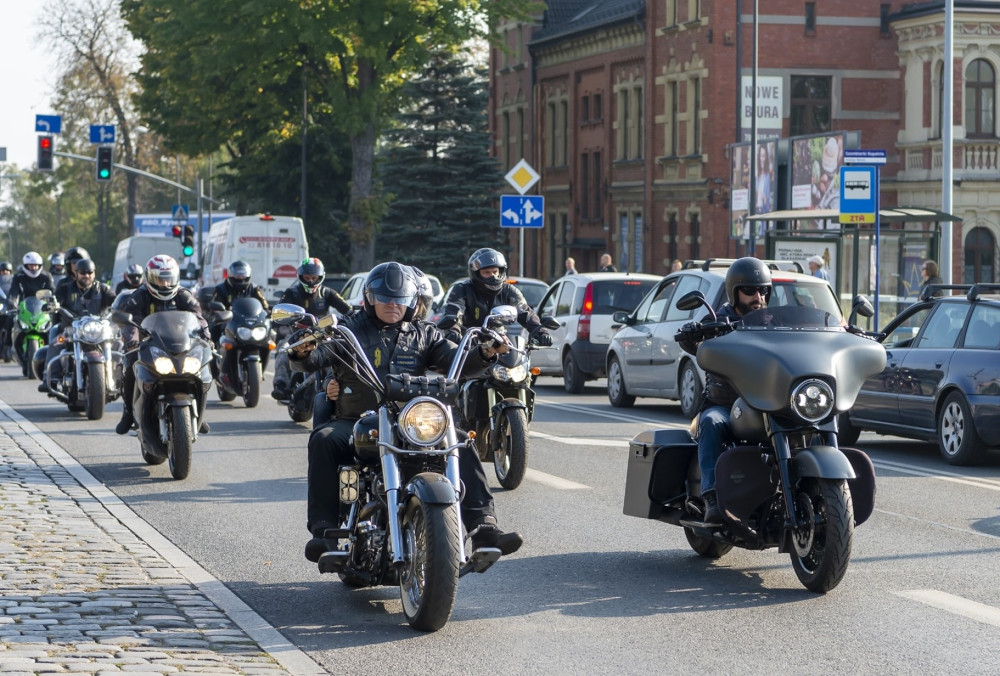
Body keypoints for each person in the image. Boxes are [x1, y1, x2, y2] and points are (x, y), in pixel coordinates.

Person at [289, 262, 523, 563]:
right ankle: (324, 531)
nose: (392, 305)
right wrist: (303, 350)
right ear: (369, 298)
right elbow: (316, 356)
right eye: (384, 298)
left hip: (413, 422)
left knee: (461, 441)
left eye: (399, 299)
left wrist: (484, 352)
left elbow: (457, 360)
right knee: (324, 438)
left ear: (412, 301)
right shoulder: (348, 329)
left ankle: (483, 528)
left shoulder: (425, 334)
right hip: (359, 421)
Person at [677, 257, 772, 524]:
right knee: (710, 422)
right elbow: (692, 342)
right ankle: (711, 497)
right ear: (734, 292)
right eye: (750, 290)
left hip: (768, 403)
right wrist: (694, 333)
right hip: (726, 406)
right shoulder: (718, 320)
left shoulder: (773, 322)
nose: (758, 297)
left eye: (763, 291)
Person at [114, 255, 212, 436]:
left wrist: (206, 336)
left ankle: (200, 412)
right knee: (130, 365)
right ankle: (128, 412)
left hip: (180, 342)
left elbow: (198, 317)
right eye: (160, 279)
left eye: (169, 279)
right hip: (148, 345)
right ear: (150, 278)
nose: (165, 284)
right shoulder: (139, 296)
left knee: (203, 366)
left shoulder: (184, 295)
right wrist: (132, 341)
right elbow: (131, 322)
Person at [271, 257, 352, 400]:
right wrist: (278, 322)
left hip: (322, 334)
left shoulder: (327, 293)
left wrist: (353, 318)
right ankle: (281, 385)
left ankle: (339, 385)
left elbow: (348, 310)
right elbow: (280, 312)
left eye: (314, 278)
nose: (310, 281)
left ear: (320, 277)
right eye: (307, 278)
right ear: (301, 276)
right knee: (283, 350)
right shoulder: (291, 293)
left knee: (339, 352)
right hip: (296, 334)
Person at [440, 248, 551, 345]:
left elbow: (525, 312)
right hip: (468, 342)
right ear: (476, 273)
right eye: (487, 272)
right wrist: (453, 331)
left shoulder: (509, 290)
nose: (492, 276)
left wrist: (541, 332)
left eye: (495, 271)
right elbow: (454, 312)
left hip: (499, 342)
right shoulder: (462, 289)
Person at [43, 258, 116, 393]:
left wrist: (123, 304)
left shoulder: (103, 289)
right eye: (83, 273)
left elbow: (115, 301)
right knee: (56, 343)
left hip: (98, 330)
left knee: (119, 344)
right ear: (76, 273)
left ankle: (121, 378)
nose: (86, 276)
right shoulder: (65, 289)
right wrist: (51, 305)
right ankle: (50, 378)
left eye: (89, 272)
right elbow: (56, 301)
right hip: (71, 330)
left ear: (94, 273)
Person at [209, 260, 269, 388]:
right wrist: (219, 312)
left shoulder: (253, 288)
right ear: (230, 275)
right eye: (237, 275)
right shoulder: (221, 289)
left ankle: (260, 371)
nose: (240, 278)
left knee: (270, 337)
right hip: (227, 321)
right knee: (211, 338)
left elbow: (263, 306)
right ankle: (213, 370)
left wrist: (269, 313)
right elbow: (214, 305)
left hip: (248, 324)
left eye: (243, 275)